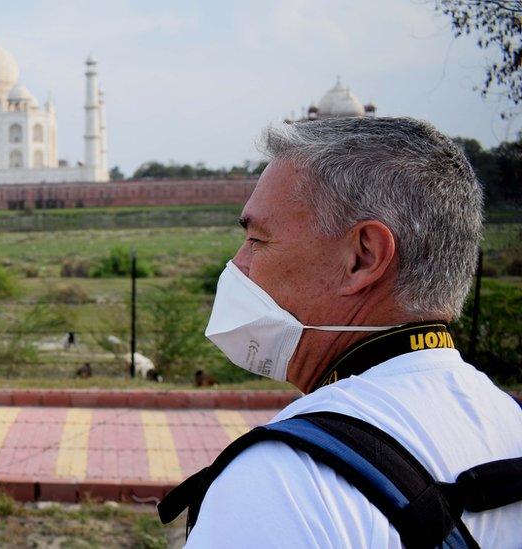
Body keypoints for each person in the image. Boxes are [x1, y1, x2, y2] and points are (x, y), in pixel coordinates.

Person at [179, 117, 522, 547]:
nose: (239, 266)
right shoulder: (505, 422)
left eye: (258, 240)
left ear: (362, 257)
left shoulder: (290, 480)